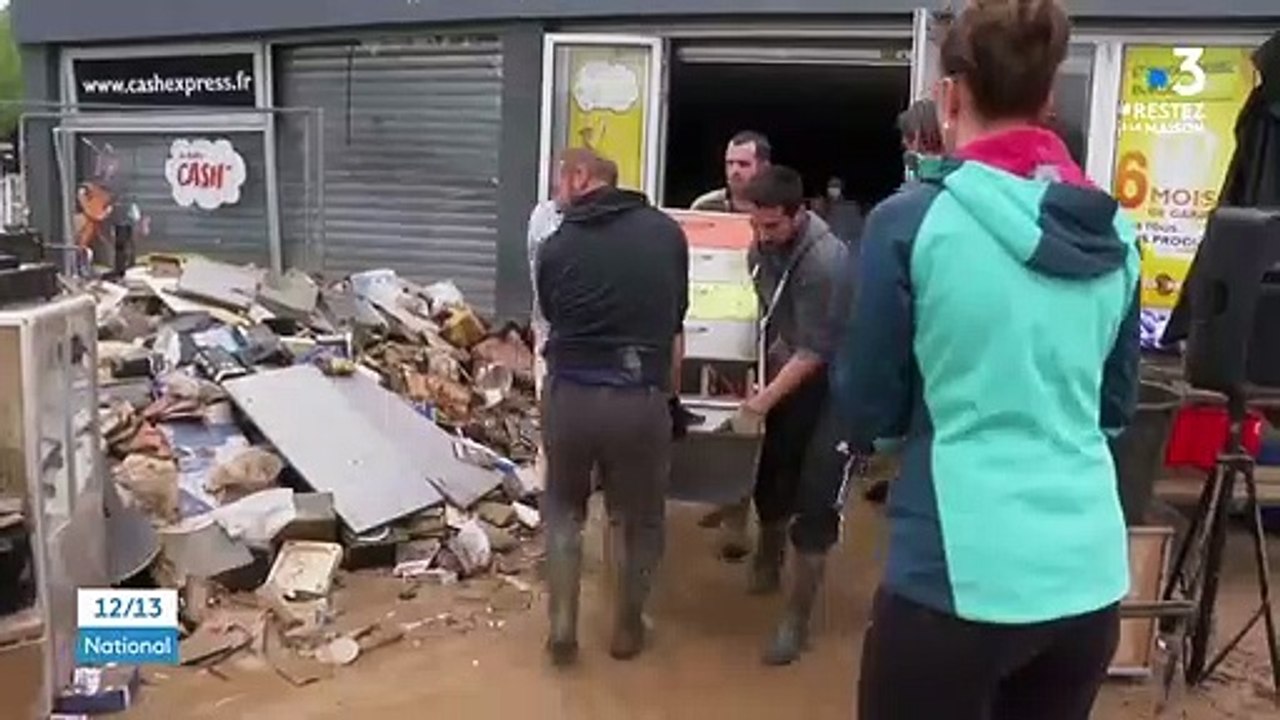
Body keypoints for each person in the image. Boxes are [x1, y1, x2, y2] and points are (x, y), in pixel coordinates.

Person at [836, 1, 1140, 718]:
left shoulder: (911, 221)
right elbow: (1115, 407)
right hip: (1088, 579)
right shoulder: (1115, 231)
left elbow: (869, 405)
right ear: (1047, 100)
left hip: (957, 578)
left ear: (951, 95)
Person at [536, 148, 689, 666]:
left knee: (563, 509)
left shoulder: (557, 245)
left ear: (581, 178)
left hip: (569, 396)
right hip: (638, 398)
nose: (558, 192)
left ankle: (562, 626)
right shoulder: (667, 234)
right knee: (638, 518)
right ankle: (627, 627)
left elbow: (553, 313)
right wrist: (669, 401)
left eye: (561, 179)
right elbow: (674, 325)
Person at [733, 165, 849, 666]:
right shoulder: (761, 246)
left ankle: (796, 622)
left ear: (799, 214)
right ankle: (766, 560)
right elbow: (773, 318)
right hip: (791, 375)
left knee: (816, 499)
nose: (762, 236)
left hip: (837, 387)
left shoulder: (825, 261)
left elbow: (816, 350)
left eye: (772, 227)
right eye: (755, 225)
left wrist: (760, 401)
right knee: (772, 476)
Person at [691, 130, 773, 562]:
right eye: (729, 164)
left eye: (743, 164)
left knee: (757, 428)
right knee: (715, 416)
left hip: (761, 333)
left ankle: (743, 515)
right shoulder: (705, 209)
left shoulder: (775, 211)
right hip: (714, 328)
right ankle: (723, 499)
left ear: (762, 166)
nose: (735, 173)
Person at [691, 130, 772, 214]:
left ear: (764, 168)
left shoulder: (779, 206)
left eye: (743, 164)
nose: (735, 170)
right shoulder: (705, 207)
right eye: (730, 163)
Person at [814, 176, 865, 251]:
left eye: (836, 186)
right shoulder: (822, 206)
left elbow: (858, 232)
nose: (833, 189)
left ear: (842, 188)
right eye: (831, 186)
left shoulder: (850, 207)